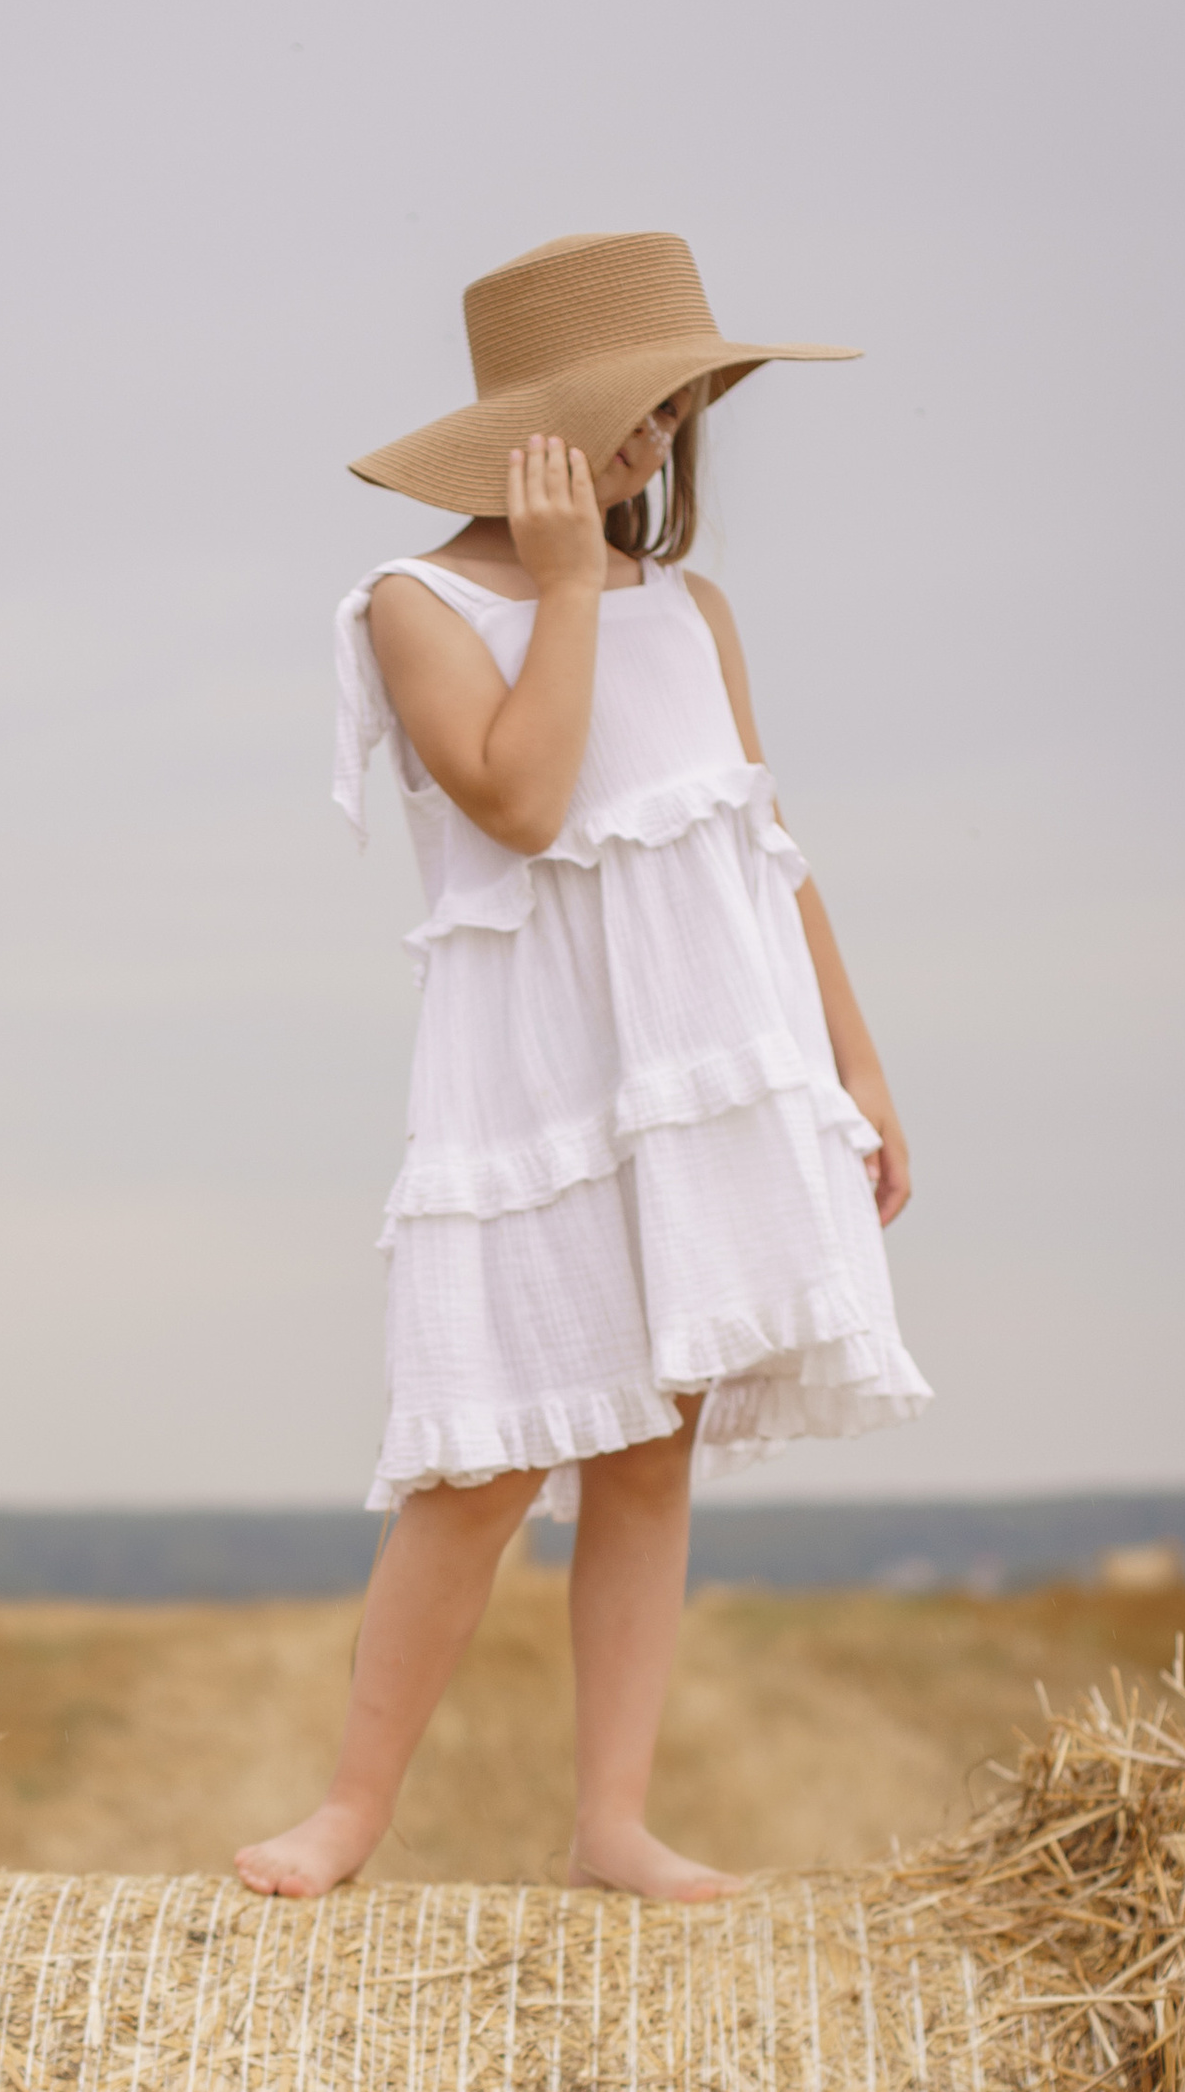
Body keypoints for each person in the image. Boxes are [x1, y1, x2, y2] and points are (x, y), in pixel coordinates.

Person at [237, 230, 927, 1905]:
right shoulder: (416, 604)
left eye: (677, 413)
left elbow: (766, 850)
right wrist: (559, 586)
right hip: (542, 1087)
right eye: (632, 414)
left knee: (652, 1449)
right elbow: (523, 800)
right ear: (531, 426)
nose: (657, 449)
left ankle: (610, 1819)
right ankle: (351, 1813)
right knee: (482, 1468)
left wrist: (856, 1066)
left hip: (706, 1064)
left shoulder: (692, 612)